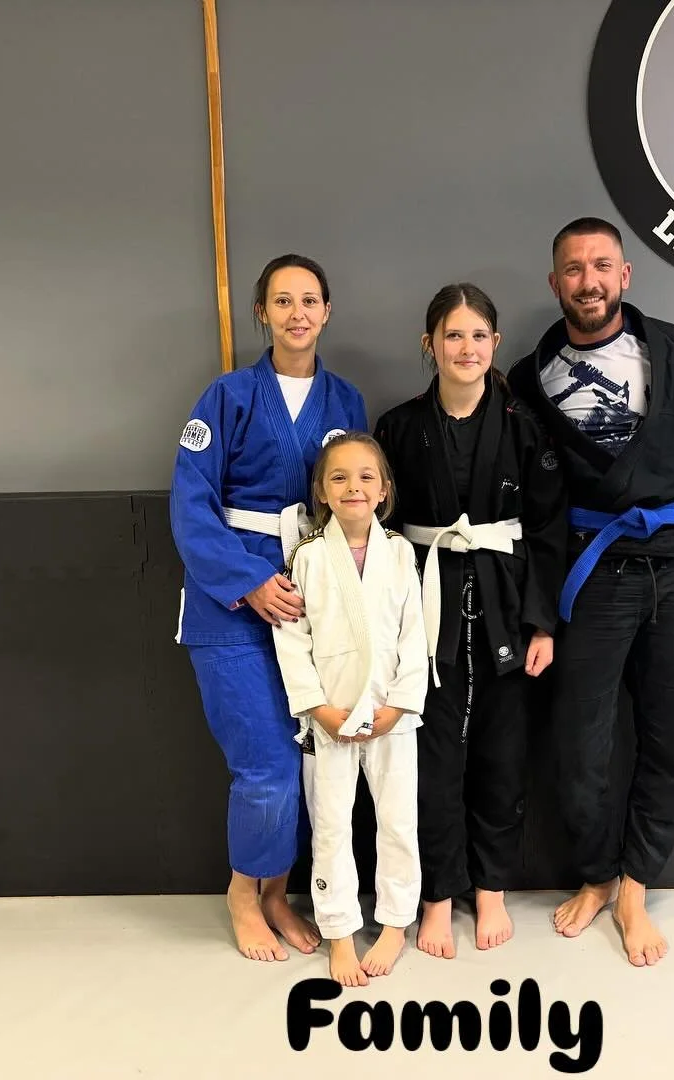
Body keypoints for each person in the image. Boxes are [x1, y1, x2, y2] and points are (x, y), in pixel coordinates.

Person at [506, 217, 674, 967]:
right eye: (573, 269)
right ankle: (594, 874)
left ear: (624, 276)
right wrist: (535, 606)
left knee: (670, 742)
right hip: (592, 575)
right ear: (554, 284)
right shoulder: (528, 380)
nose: (588, 281)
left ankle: (634, 886)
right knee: (578, 746)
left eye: (601, 266)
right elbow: (530, 506)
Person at [169, 254, 367, 963]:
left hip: (313, 601)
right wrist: (248, 581)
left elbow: (356, 498)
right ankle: (242, 891)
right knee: (268, 770)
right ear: (262, 312)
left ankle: (280, 892)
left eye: (309, 299)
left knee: (312, 759)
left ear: (327, 309)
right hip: (233, 605)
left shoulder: (345, 402)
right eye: (281, 300)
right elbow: (191, 506)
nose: (296, 313)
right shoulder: (225, 397)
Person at [373, 284, 567, 958]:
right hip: (424, 605)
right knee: (431, 758)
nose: (466, 348)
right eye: (452, 336)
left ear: (496, 344)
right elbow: (381, 530)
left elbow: (547, 529)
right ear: (429, 345)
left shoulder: (523, 425)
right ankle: (435, 896)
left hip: (506, 602)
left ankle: (489, 888)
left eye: (478, 336)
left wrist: (543, 624)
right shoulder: (398, 428)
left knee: (502, 754)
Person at [272, 433, 428, 987]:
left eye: (366, 477)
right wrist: (318, 708)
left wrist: (401, 704)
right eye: (339, 477)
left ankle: (393, 924)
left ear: (384, 491)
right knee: (332, 826)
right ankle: (338, 929)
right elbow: (292, 639)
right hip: (330, 717)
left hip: (392, 715)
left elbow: (416, 635)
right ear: (322, 491)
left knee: (398, 822)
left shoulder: (402, 552)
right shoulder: (308, 557)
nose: (353, 486)